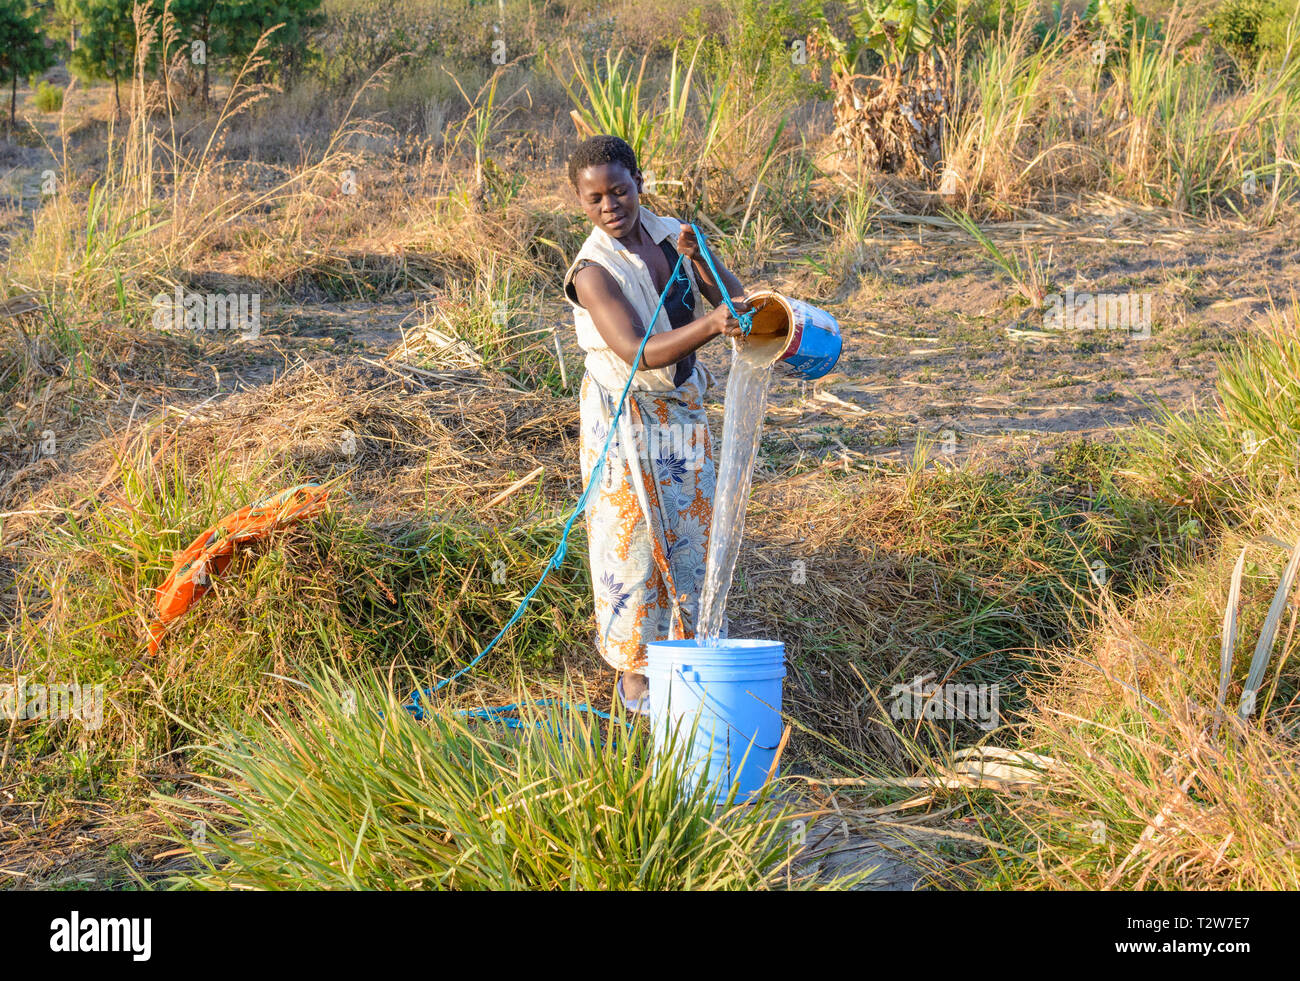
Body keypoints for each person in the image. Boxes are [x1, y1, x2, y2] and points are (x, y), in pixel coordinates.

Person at [561, 134, 750, 714]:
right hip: (626, 420)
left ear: (639, 182)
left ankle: (687, 661)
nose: (610, 206)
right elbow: (639, 350)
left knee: (692, 535)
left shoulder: (674, 236)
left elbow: (736, 299)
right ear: (581, 203)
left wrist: (701, 260)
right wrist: (713, 324)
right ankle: (636, 683)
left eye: (619, 191)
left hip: (682, 411)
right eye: (595, 199)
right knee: (633, 547)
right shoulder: (593, 271)